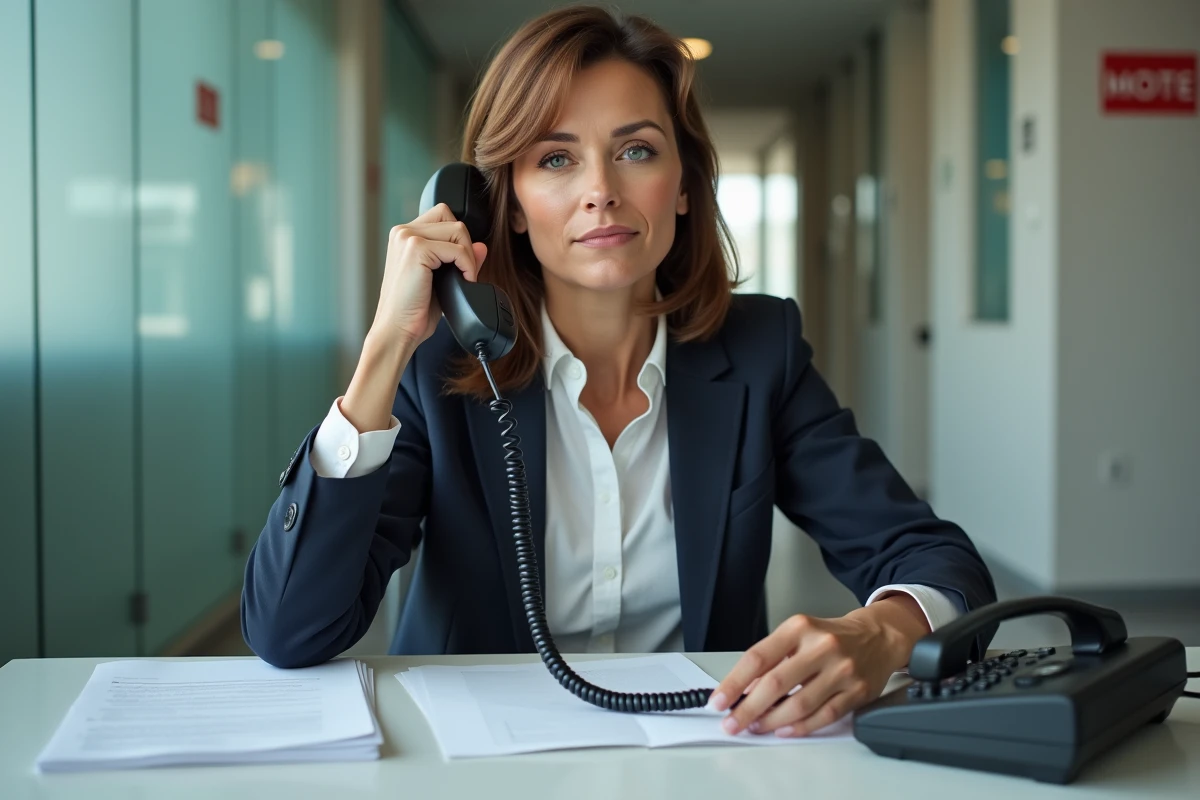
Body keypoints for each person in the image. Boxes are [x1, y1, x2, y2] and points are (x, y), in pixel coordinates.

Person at [241, 5, 997, 739]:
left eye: (636, 150)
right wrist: (384, 349)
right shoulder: (441, 367)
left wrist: (885, 629)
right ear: (502, 205)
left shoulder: (762, 349)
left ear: (685, 185)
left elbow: (936, 558)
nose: (601, 188)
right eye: (555, 158)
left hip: (701, 750)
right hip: (471, 765)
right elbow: (290, 630)